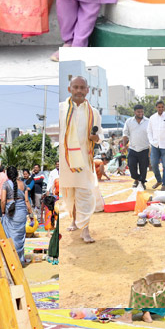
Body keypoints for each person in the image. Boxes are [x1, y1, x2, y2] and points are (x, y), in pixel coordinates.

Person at [59, 76, 100, 243]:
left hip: (84, 159)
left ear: (87, 90)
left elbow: (100, 136)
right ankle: (74, 220)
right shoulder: (60, 109)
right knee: (70, 195)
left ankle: (85, 230)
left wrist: (95, 137)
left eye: (82, 87)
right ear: (69, 89)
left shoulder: (93, 112)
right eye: (75, 87)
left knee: (85, 193)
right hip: (65, 160)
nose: (79, 91)